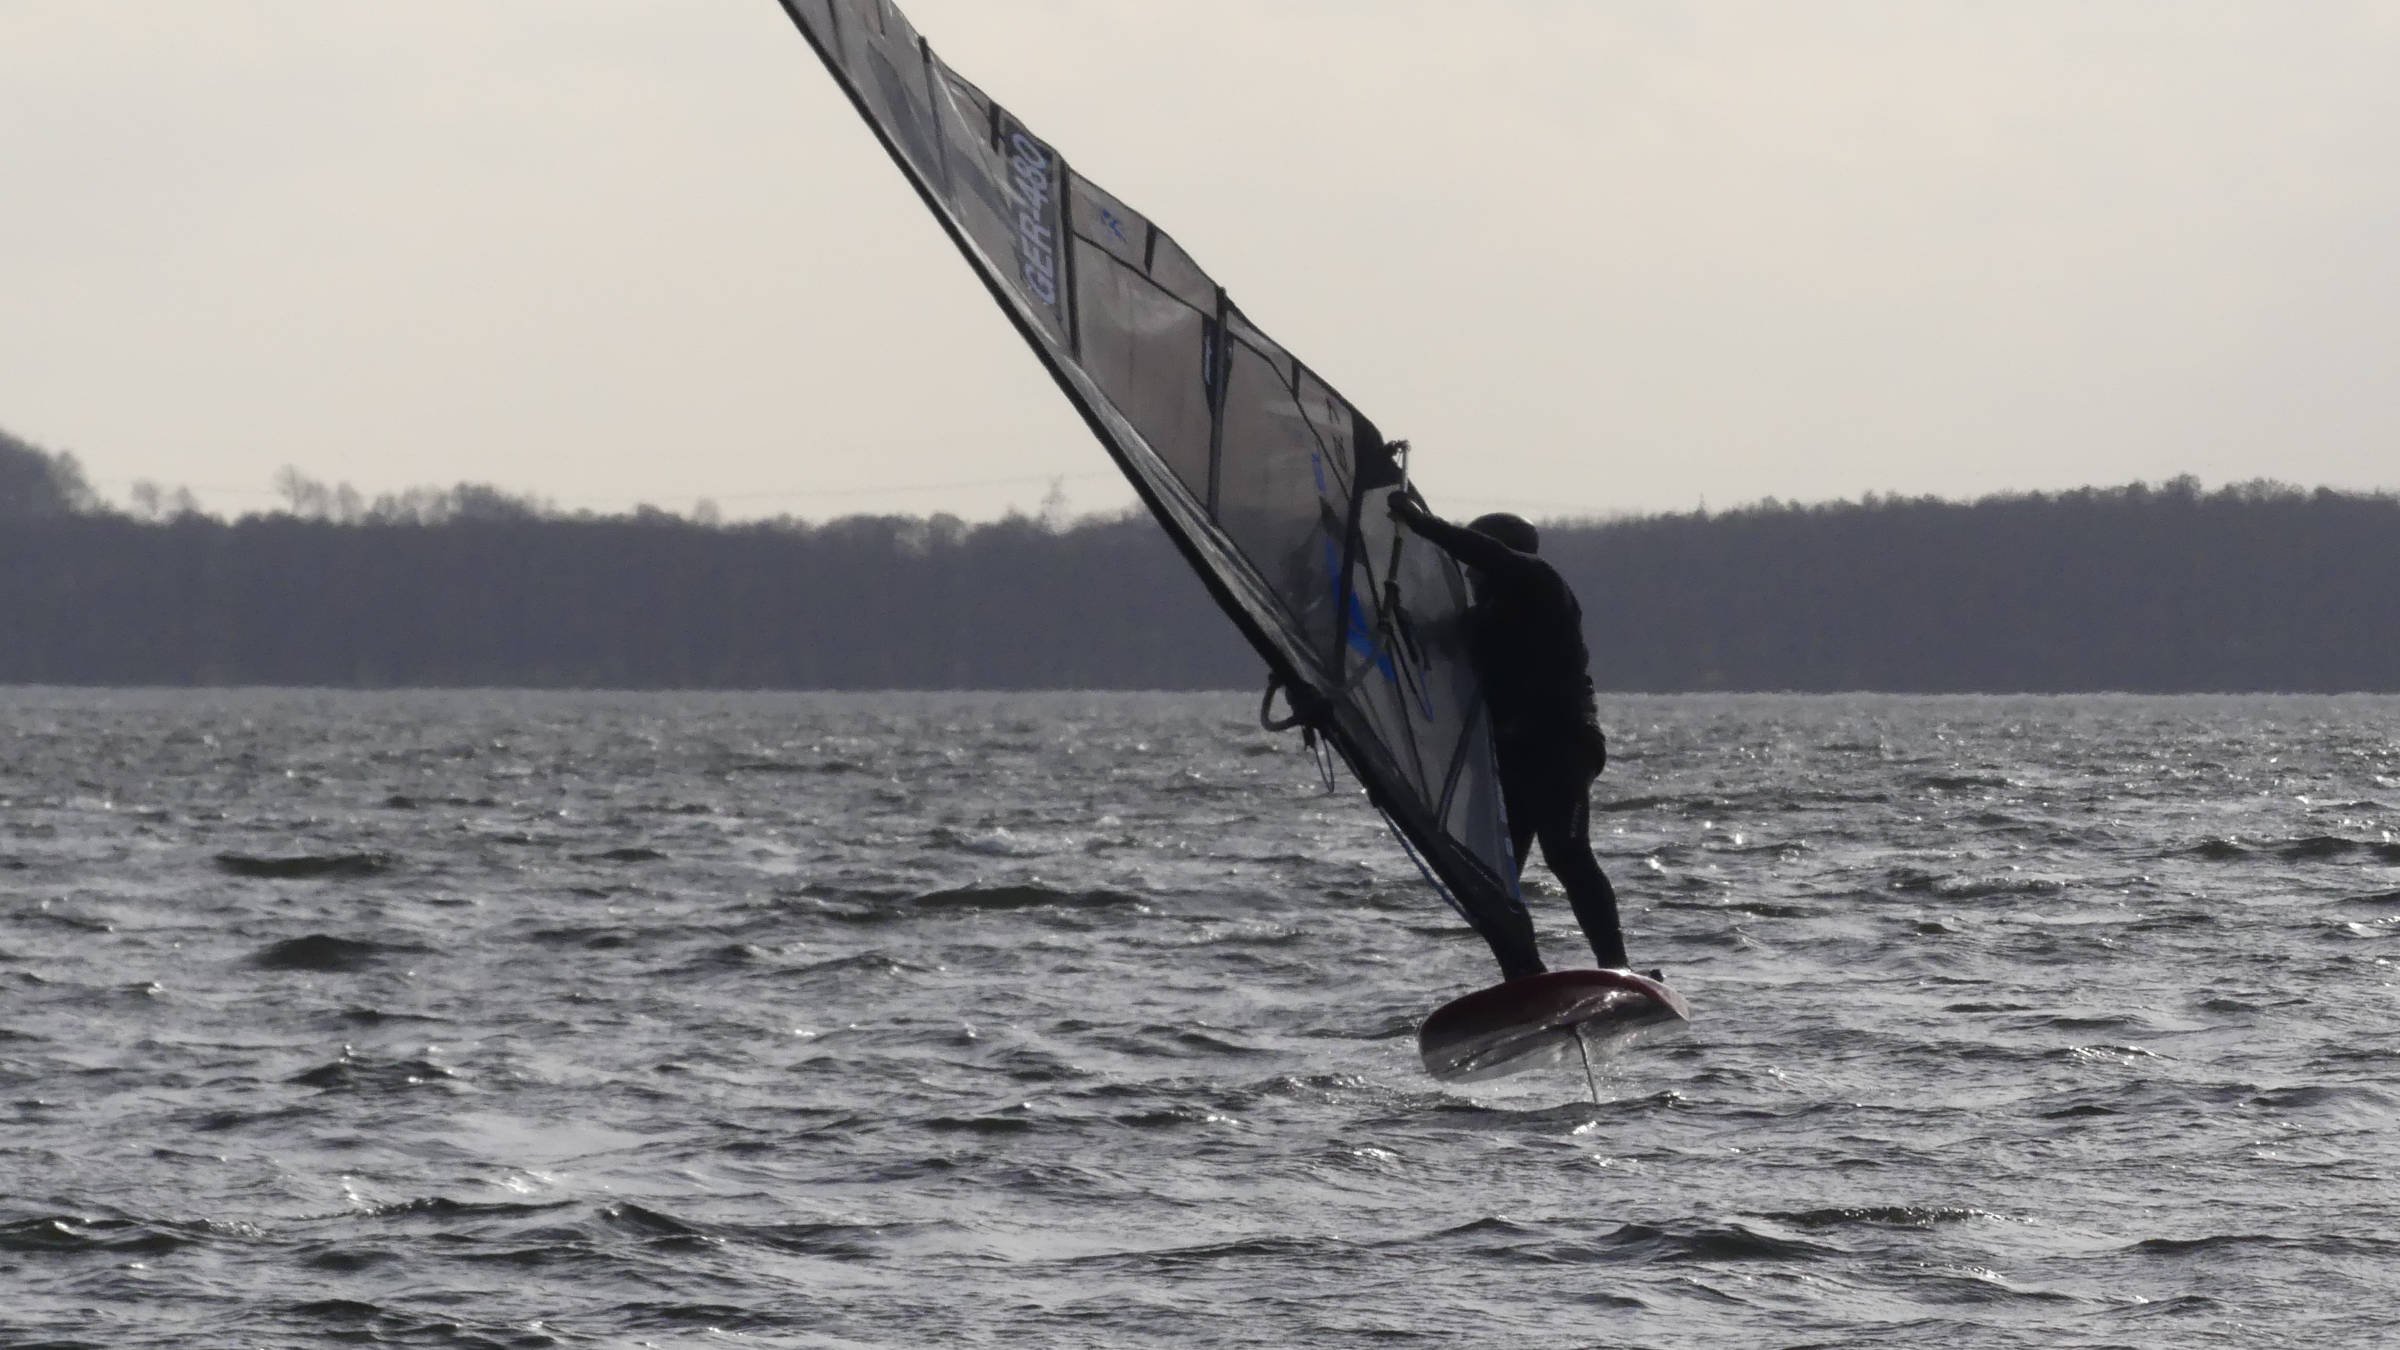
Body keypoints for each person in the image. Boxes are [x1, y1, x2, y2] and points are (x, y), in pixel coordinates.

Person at [1388, 489, 1630, 980]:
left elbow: (1488, 554)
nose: (1471, 575)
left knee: (1566, 852)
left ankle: (1617, 966)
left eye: (1477, 564)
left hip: (1563, 744)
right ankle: (1523, 974)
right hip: (1513, 756)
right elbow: (1433, 641)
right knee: (1498, 877)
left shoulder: (1540, 584)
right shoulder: (1482, 621)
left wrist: (1422, 523)